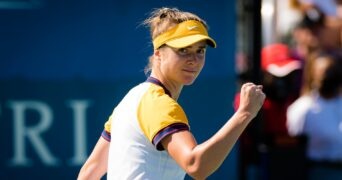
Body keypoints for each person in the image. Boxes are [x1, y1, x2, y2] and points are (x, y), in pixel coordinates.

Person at [77, 7, 265, 180]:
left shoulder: (132, 99)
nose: (194, 59)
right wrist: (245, 114)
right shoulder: (159, 104)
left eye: (200, 50)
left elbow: (89, 172)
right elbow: (196, 165)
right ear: (158, 53)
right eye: (183, 50)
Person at [287, 52, 342, 179]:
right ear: (313, 76)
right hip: (317, 171)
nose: (328, 77)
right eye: (323, 72)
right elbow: (295, 141)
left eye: (332, 72)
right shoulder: (302, 108)